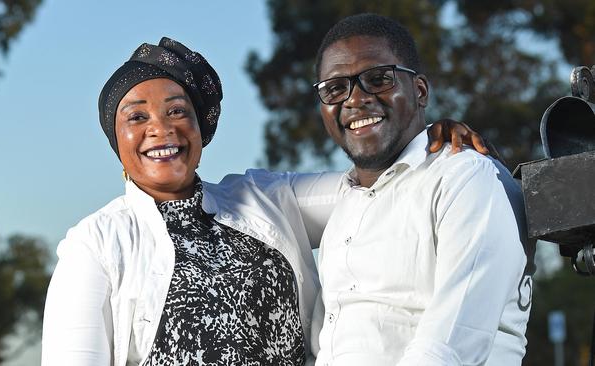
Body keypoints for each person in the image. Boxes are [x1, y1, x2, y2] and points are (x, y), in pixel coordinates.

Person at [41, 36, 488, 365]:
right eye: (136, 116)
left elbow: (383, 185)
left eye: (179, 110)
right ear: (115, 141)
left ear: (200, 128)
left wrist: (427, 140)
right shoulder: (95, 244)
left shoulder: (263, 198)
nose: (162, 128)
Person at [311, 14, 534, 366]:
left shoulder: (464, 177)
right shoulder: (344, 205)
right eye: (335, 89)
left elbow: (452, 345)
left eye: (378, 79)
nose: (354, 100)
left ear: (419, 91)